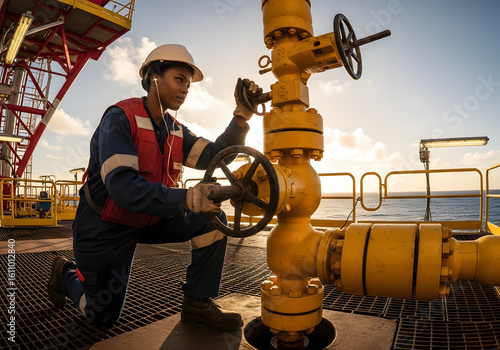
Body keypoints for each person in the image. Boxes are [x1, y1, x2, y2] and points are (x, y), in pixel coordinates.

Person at [47, 44, 262, 331]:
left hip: (149, 217)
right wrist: (186, 197)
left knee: (211, 220)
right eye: (179, 79)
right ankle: (65, 275)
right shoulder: (119, 118)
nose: (185, 88)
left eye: (188, 83)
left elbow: (214, 155)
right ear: (153, 78)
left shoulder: (174, 130)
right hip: (105, 224)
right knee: (100, 316)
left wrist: (241, 117)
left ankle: (197, 303)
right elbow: (122, 187)